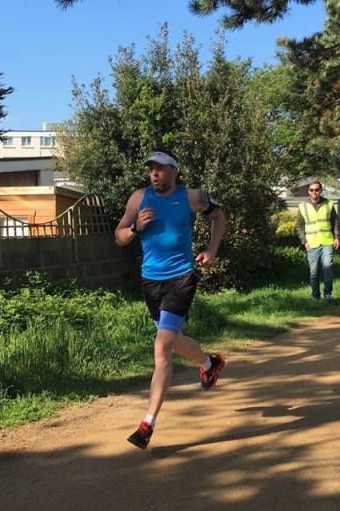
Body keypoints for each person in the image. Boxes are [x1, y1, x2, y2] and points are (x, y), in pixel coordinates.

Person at [115, 149, 227, 450]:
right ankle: (209, 363)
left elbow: (218, 216)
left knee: (162, 344)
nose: (154, 174)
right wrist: (136, 227)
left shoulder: (192, 197)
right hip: (151, 281)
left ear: (174, 171)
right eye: (151, 169)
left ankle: (147, 424)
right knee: (174, 340)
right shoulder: (138, 198)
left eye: (161, 169)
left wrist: (212, 250)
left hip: (181, 277)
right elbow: (119, 236)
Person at [295, 181, 340, 303]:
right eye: (312, 190)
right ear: (308, 191)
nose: (314, 192)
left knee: (328, 267)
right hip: (311, 243)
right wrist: (304, 241)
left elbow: (335, 222)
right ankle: (315, 296)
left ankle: (328, 294)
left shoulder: (329, 204)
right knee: (314, 272)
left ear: (321, 191)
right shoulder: (302, 206)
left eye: (317, 190)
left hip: (327, 241)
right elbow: (299, 226)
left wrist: (337, 237)